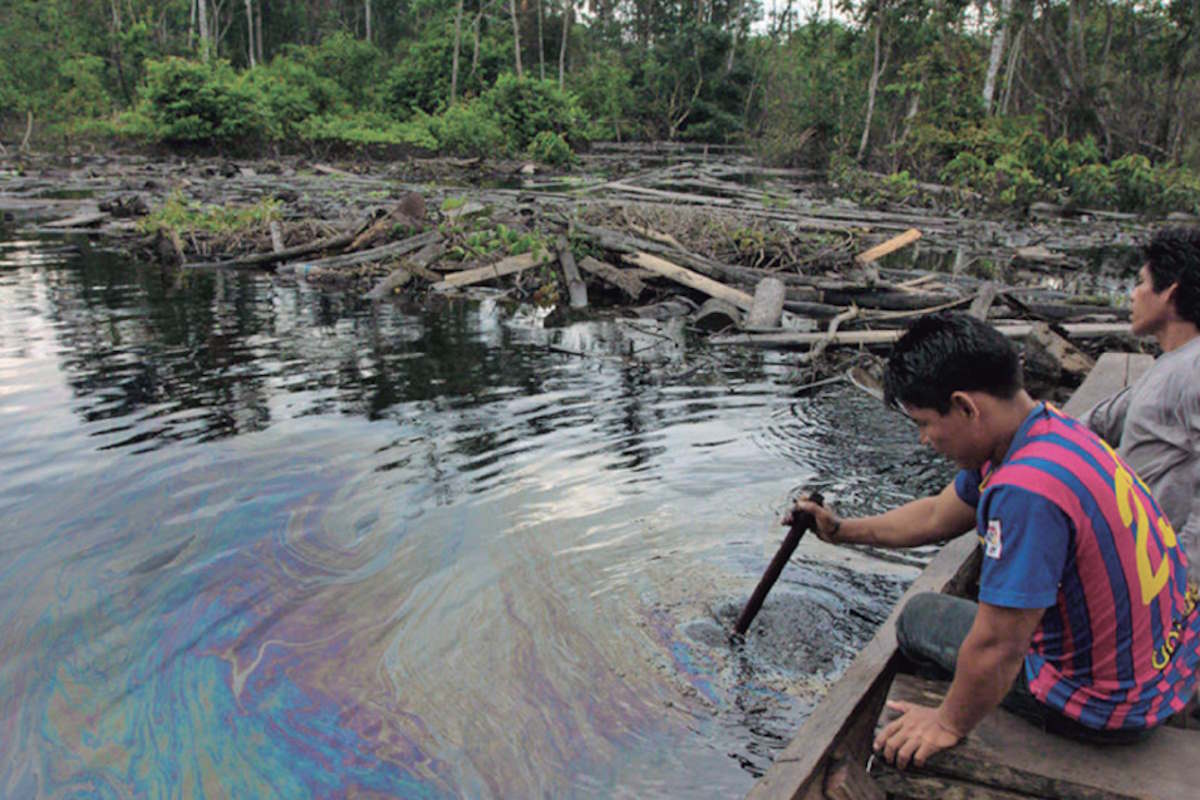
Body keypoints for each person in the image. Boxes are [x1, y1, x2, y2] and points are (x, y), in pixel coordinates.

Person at [790, 312, 1200, 771]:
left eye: (925, 423)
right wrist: (843, 530)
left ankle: (943, 717)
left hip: (1109, 709)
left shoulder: (1026, 491)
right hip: (1169, 669)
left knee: (920, 618)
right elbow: (936, 515)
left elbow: (998, 647)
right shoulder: (1047, 430)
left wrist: (948, 723)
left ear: (966, 407)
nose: (925, 440)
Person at [1080, 227, 1200, 570]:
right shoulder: (1173, 364)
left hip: (1165, 582)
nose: (1133, 295)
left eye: (1141, 282)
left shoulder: (1193, 371)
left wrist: (1187, 584)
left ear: (1169, 294)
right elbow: (1100, 421)